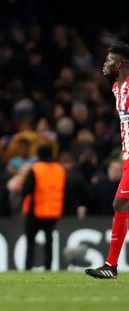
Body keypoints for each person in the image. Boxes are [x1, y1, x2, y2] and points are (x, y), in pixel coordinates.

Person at [86, 42, 129, 279]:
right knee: (123, 205)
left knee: (120, 203)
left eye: (109, 60)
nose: (105, 63)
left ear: (120, 63)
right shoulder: (116, 88)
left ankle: (111, 266)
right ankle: (110, 266)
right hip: (126, 156)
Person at [21, 144, 66, 270]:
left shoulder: (36, 168)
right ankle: (48, 266)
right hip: (53, 210)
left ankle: (28, 266)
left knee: (30, 241)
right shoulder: (59, 169)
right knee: (49, 240)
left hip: (36, 210)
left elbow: (26, 189)